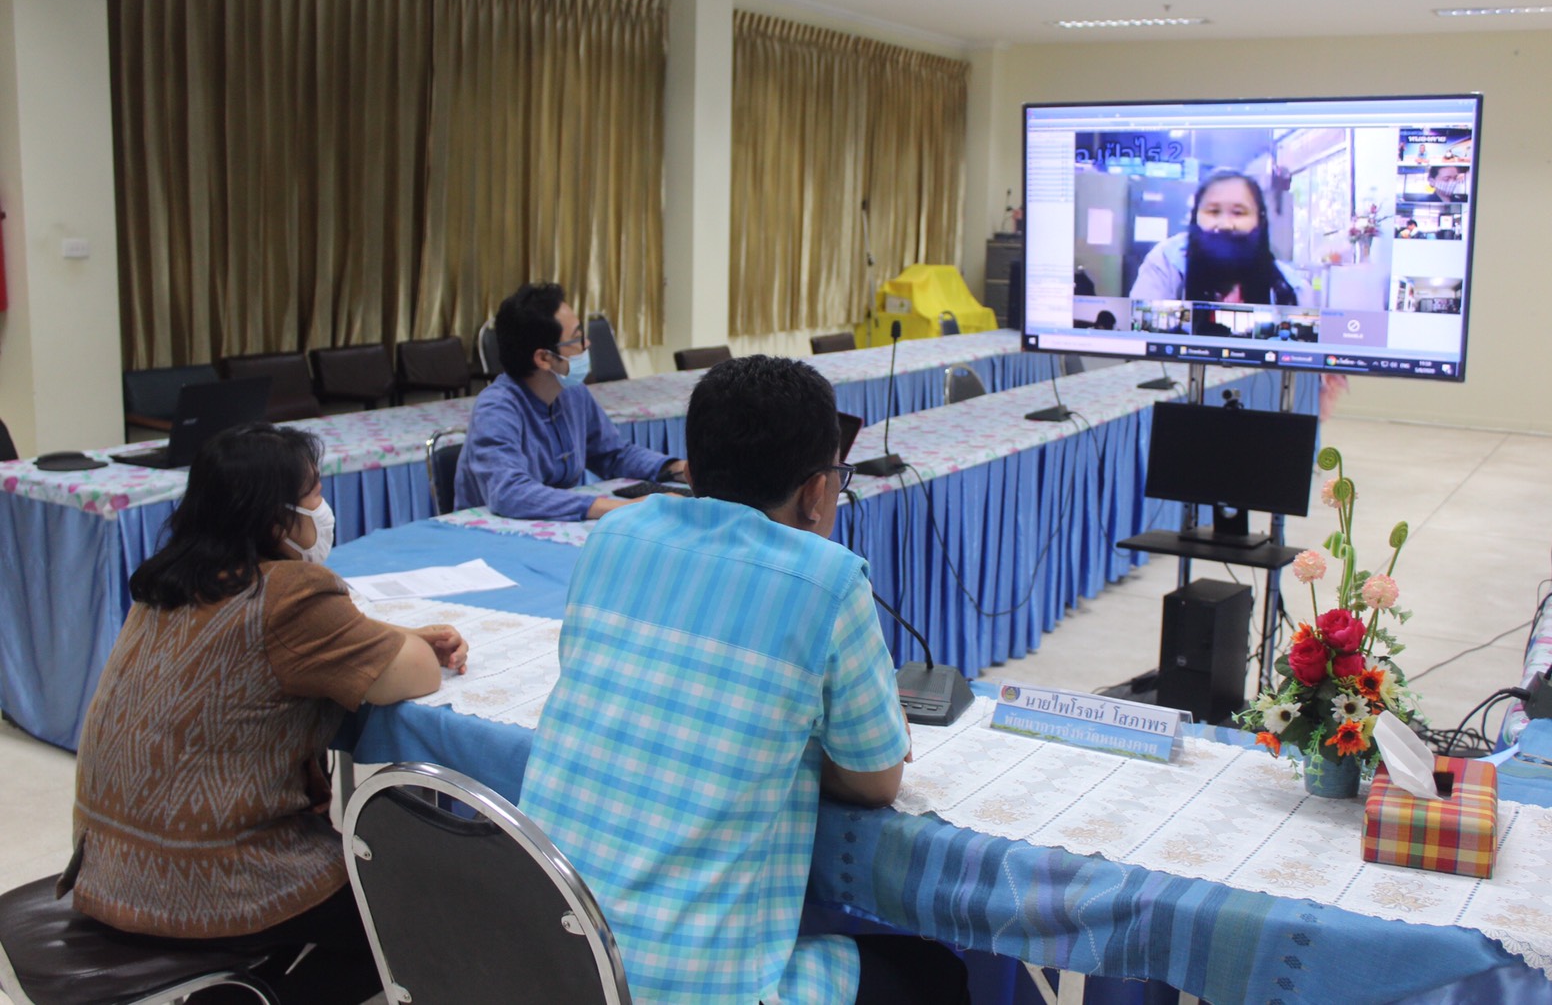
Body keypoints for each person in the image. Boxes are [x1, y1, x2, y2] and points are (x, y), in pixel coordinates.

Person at [518, 356, 970, 1004]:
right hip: (693, 987)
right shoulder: (827, 580)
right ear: (818, 492)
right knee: (934, 976)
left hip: (553, 956)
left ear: (693, 471)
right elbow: (877, 781)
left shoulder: (615, 534)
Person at [63, 422, 469, 1005]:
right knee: (423, 911)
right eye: (314, 498)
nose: (323, 511)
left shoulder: (171, 581)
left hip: (110, 867)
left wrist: (372, 638)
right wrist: (391, 643)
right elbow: (419, 674)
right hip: (211, 880)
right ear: (277, 520)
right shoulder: (292, 594)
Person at [454, 281, 685, 520]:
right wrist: (614, 508)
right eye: (577, 338)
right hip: (488, 537)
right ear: (544, 358)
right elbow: (509, 492)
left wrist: (677, 469)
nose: (587, 344)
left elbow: (613, 454)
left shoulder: (572, 393)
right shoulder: (496, 408)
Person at [1129, 169, 1310, 307]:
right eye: (1213, 211)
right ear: (1195, 216)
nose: (1225, 224)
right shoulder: (1166, 263)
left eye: (1239, 213)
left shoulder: (1291, 290)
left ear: (1259, 220)